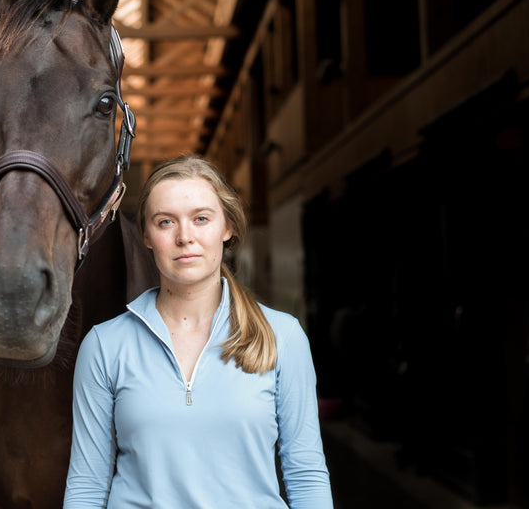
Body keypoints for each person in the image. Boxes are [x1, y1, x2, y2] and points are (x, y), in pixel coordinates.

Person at [64, 155, 333, 508]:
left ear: (227, 228)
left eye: (201, 219)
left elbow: (306, 474)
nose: (184, 237)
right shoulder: (105, 345)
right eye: (165, 222)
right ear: (146, 235)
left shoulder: (283, 337)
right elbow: (87, 483)